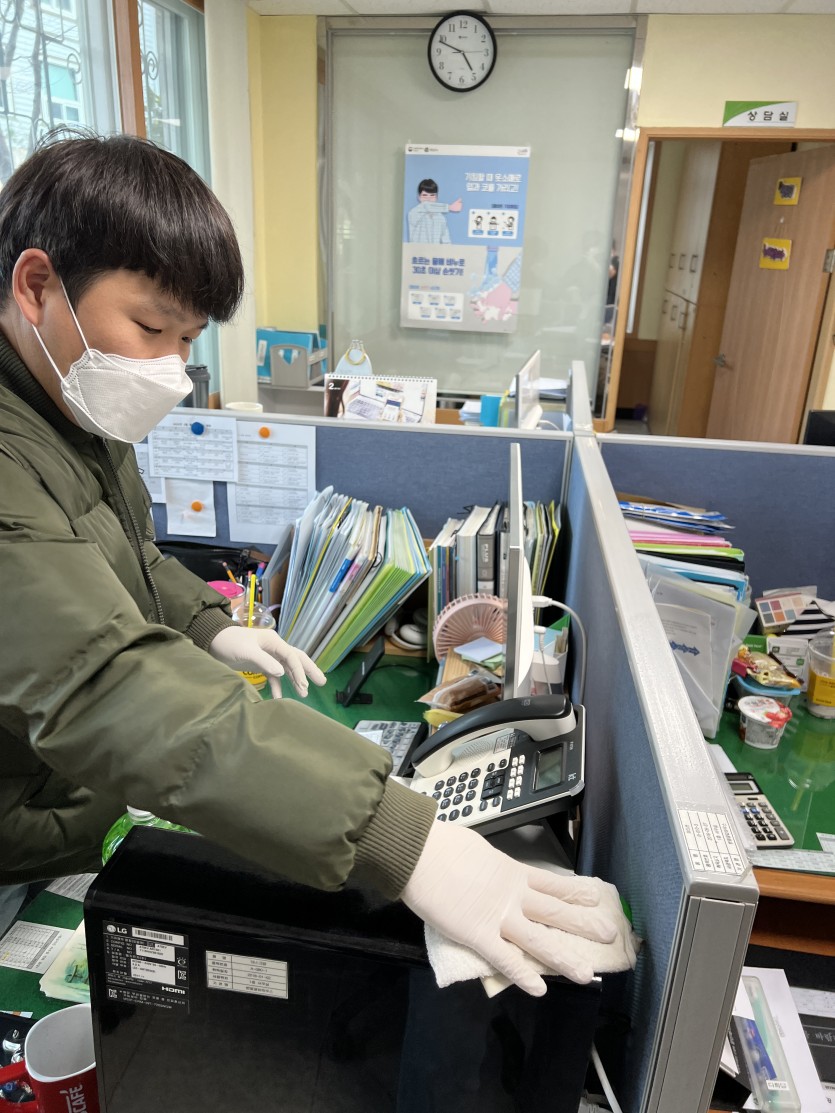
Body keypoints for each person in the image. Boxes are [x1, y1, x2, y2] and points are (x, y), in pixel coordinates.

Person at [0, 133, 624, 995]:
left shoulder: (65, 403)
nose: (171, 369)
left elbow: (127, 552)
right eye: (149, 327)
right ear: (37, 286)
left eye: (188, 339)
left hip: (68, 802)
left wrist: (211, 627)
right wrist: (398, 836)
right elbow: (101, 683)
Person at [407, 178, 463, 245]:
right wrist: (450, 207)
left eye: (432, 195)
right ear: (419, 197)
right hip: (417, 251)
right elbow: (426, 206)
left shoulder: (441, 218)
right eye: (424, 195)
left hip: (435, 251)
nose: (428, 198)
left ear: (436, 197)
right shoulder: (414, 213)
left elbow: (446, 242)